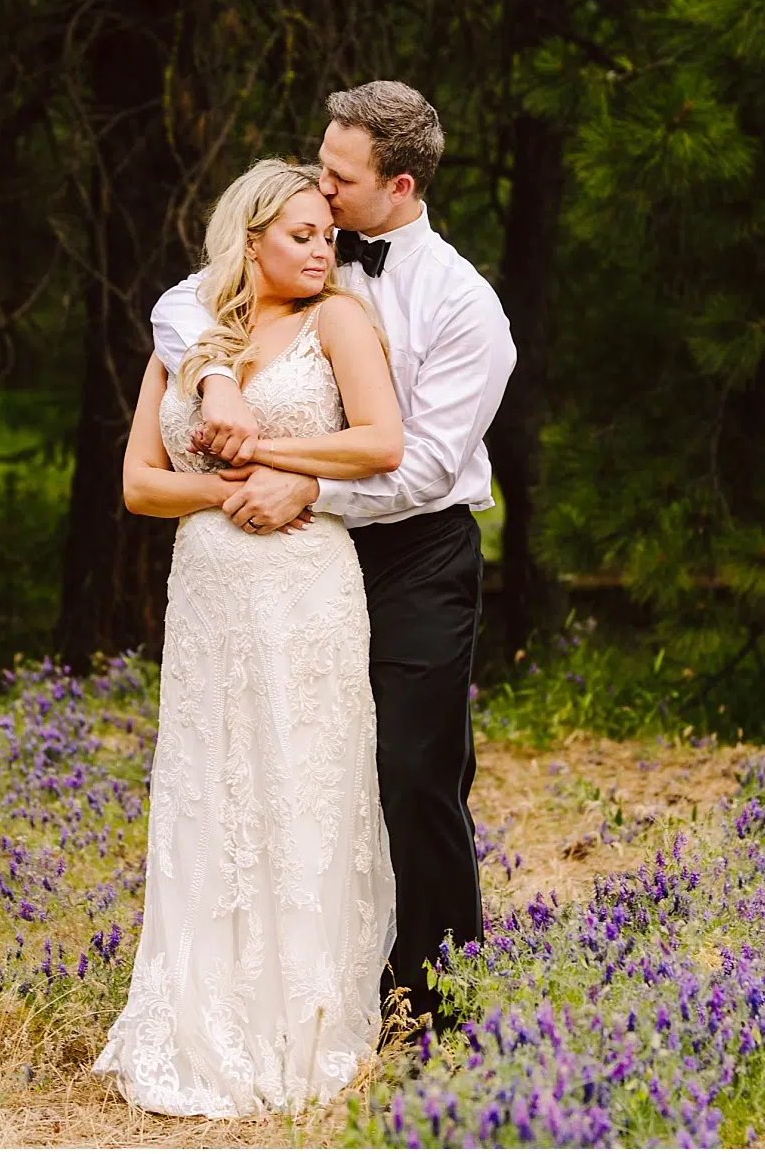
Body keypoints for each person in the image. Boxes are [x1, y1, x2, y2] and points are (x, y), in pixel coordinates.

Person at [151, 81, 517, 1033]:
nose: (320, 185)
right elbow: (180, 309)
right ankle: (316, 987)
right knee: (299, 766)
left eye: (338, 177)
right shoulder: (304, 245)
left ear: (398, 185)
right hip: (300, 556)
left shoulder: (466, 306)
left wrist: (306, 485)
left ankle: (434, 1002)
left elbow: (426, 462)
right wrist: (221, 374)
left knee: (413, 770)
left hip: (416, 555)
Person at [92, 159, 403, 1118]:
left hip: (304, 585)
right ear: (252, 237)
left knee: (301, 782)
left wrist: (262, 451)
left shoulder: (340, 320)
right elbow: (143, 483)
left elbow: (380, 442)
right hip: (212, 591)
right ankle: (202, 1017)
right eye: (302, 235)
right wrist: (230, 489)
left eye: (327, 234)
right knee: (213, 786)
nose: (323, 249)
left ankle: (306, 1021)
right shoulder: (191, 337)